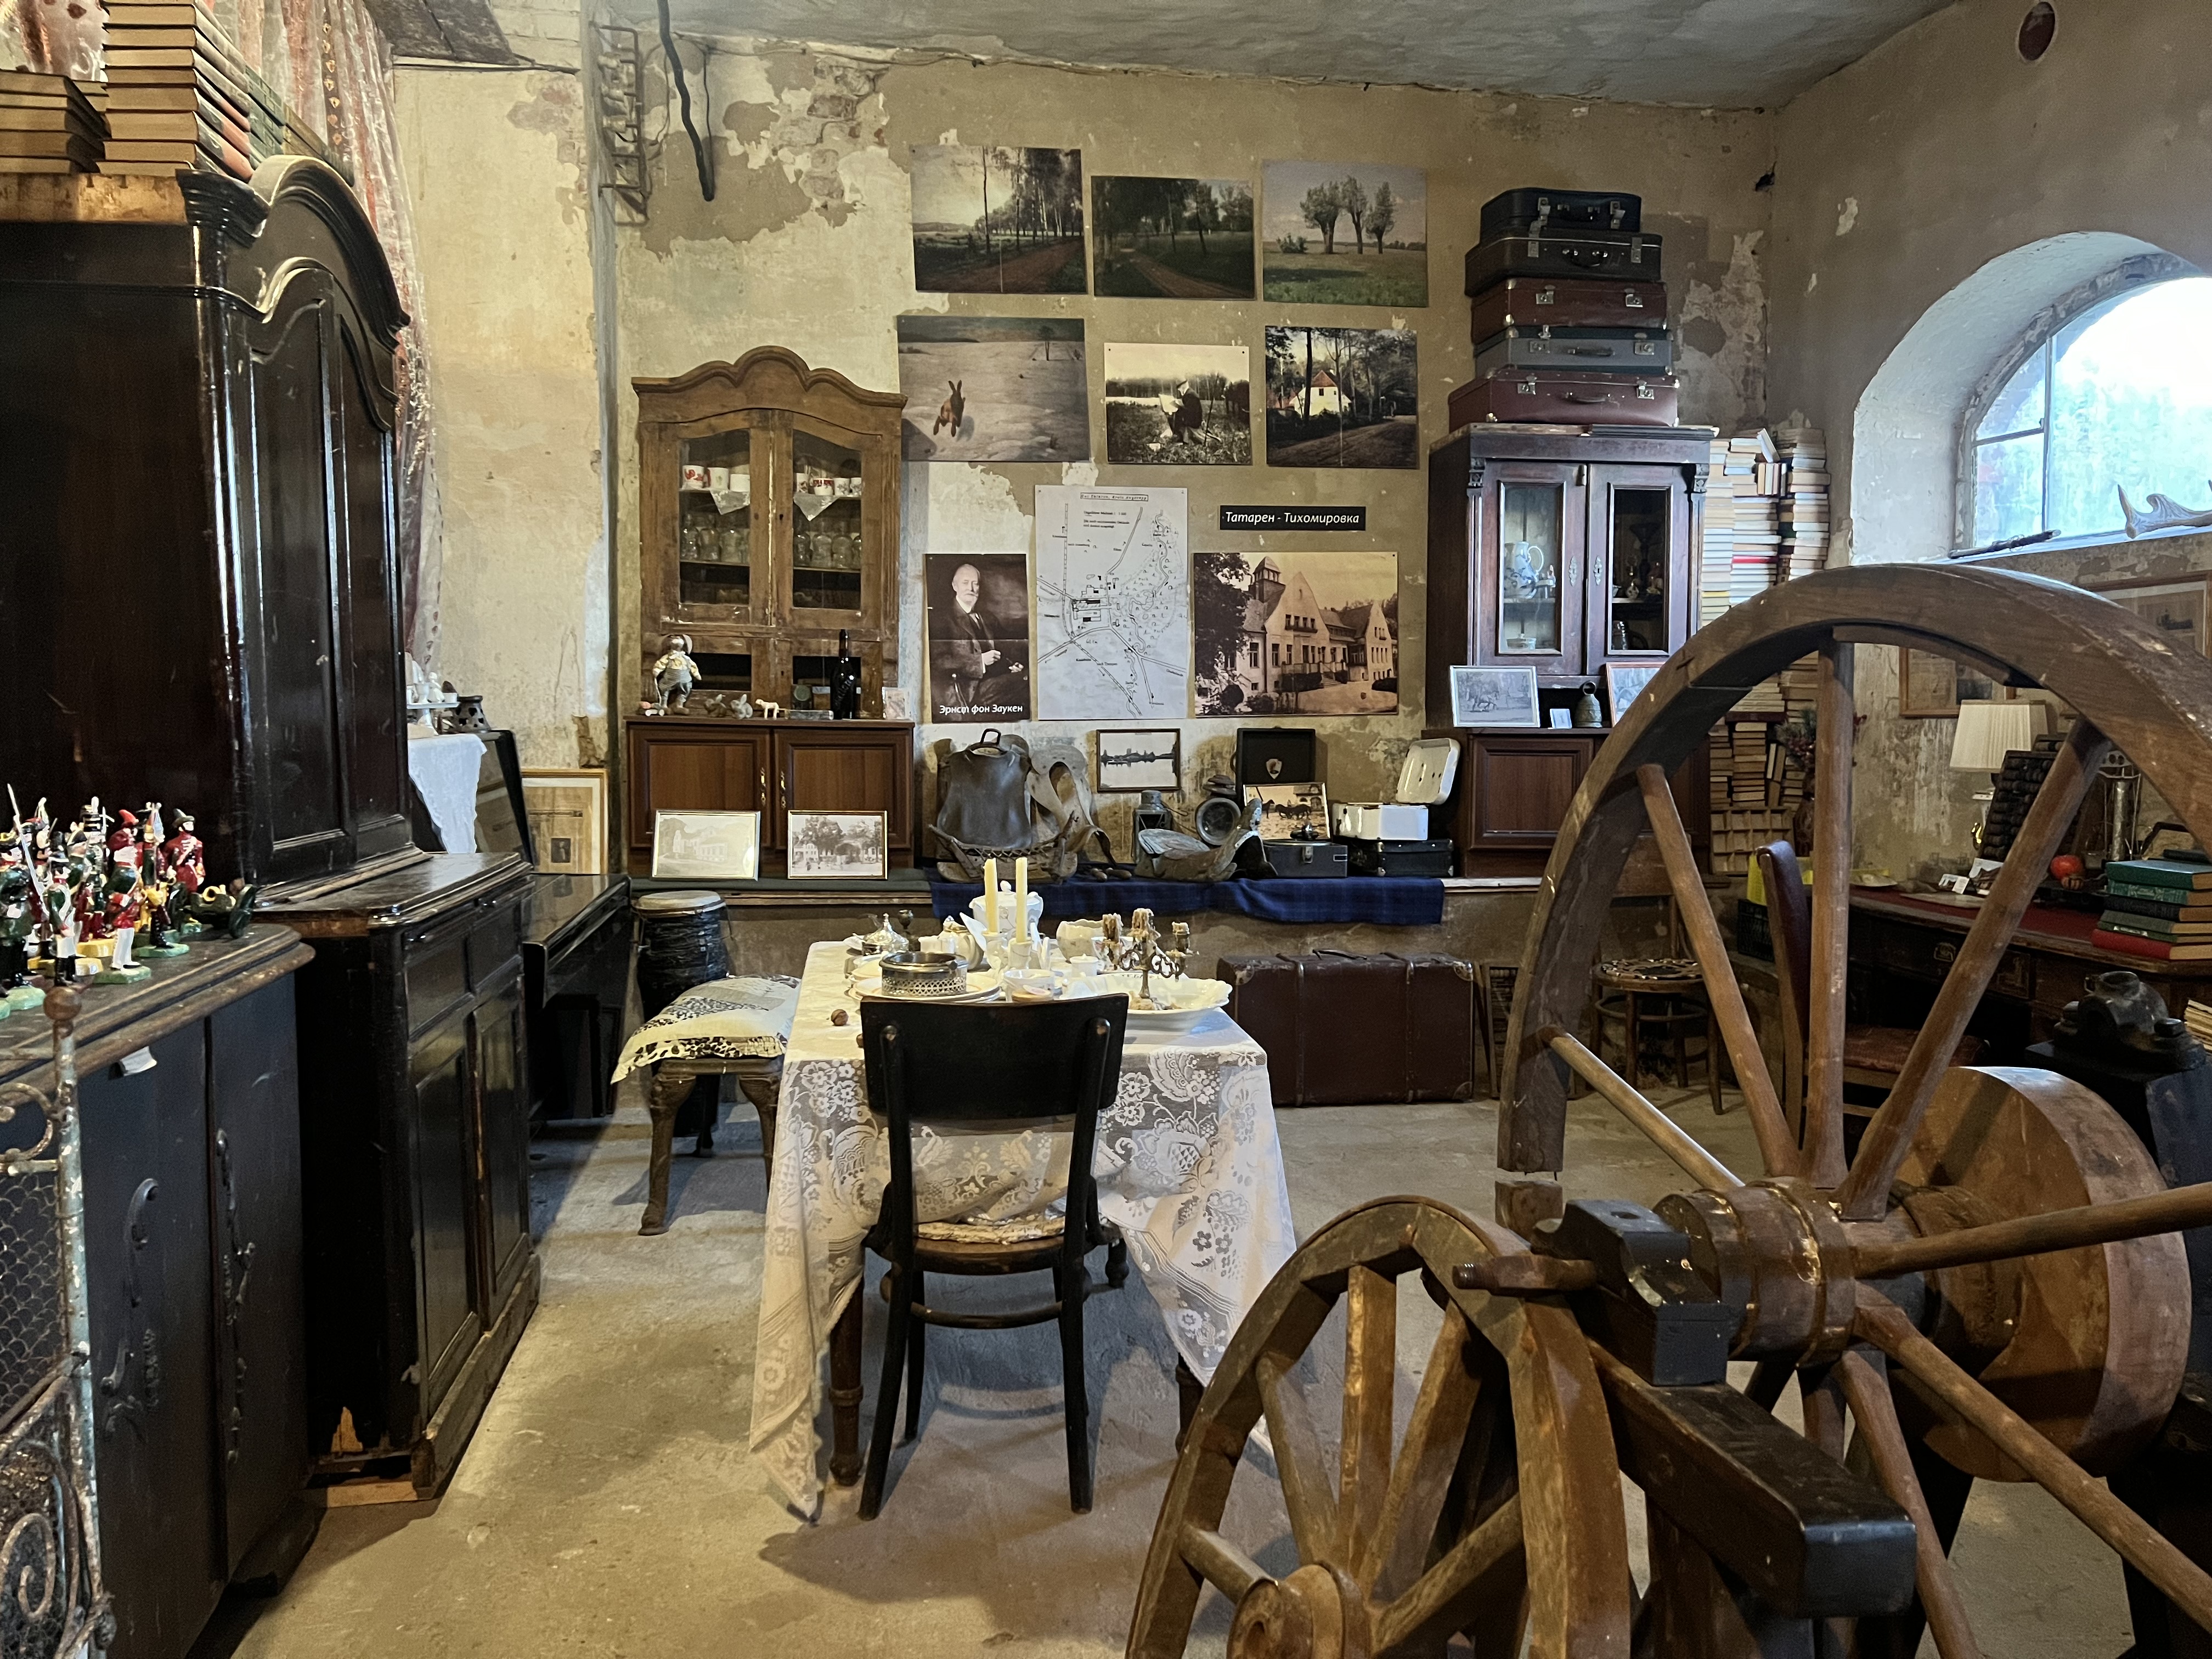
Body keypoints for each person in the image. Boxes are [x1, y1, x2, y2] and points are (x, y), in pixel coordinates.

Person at [932, 562, 1025, 716]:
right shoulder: (941, 619)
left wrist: (1012, 665)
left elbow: (1002, 649)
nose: (971, 588)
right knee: (1026, 683)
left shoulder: (988, 618)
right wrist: (980, 661)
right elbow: (939, 662)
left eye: (975, 584)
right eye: (965, 583)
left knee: (1025, 677)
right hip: (967, 690)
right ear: (955, 586)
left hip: (994, 682)